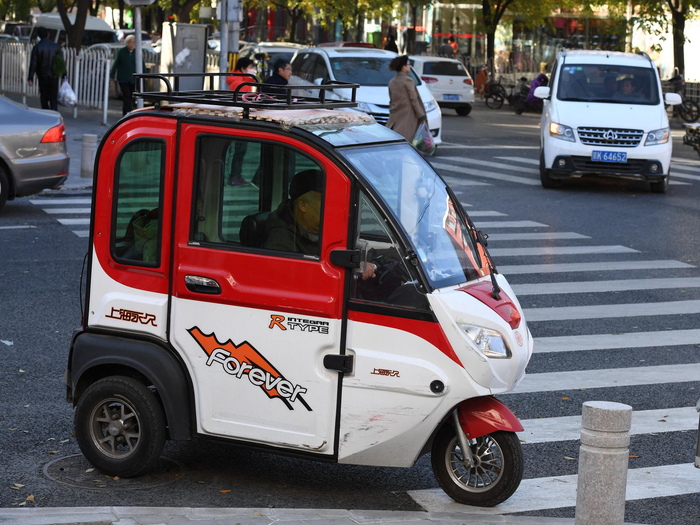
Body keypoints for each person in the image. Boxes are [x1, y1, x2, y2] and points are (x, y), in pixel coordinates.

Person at [264, 170, 324, 255]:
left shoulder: (327, 227)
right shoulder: (281, 238)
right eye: (325, 201)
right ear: (303, 205)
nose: (331, 207)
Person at [386, 55, 426, 143]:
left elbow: (392, 100)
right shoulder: (407, 80)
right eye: (408, 64)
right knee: (409, 142)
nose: (409, 66)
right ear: (403, 67)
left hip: (396, 116)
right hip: (408, 115)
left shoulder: (392, 81)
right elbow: (414, 99)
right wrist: (421, 116)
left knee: (396, 140)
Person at [28, 27, 62, 111]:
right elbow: (60, 62)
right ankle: (54, 115)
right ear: (48, 35)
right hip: (54, 77)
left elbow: (33, 63)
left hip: (42, 76)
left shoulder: (37, 48)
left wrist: (30, 77)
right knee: (53, 98)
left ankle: (46, 114)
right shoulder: (56, 47)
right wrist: (64, 75)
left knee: (44, 98)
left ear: (39, 36)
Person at [110, 35, 144, 116]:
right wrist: (112, 75)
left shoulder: (137, 52)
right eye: (129, 42)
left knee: (132, 95)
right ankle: (127, 112)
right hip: (123, 78)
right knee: (126, 95)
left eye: (133, 42)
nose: (131, 44)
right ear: (126, 43)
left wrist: (144, 75)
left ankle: (129, 111)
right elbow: (116, 64)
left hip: (133, 79)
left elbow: (142, 64)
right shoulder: (121, 52)